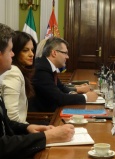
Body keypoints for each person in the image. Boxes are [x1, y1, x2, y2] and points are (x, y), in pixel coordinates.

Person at [0, 23, 75, 158]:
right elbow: (2, 145)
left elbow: (6, 122)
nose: (13, 54)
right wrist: (46, 137)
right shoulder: (15, 72)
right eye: (11, 50)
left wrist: (28, 127)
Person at [29, 37, 98, 112]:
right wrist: (85, 97)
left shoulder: (46, 65)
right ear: (54, 53)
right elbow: (59, 98)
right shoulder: (41, 69)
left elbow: (61, 88)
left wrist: (74, 93)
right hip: (45, 117)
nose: (67, 57)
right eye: (65, 53)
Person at [0, 31, 36, 123]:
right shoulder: (13, 72)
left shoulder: (18, 70)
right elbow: (12, 117)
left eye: (32, 50)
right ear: (15, 51)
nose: (31, 54)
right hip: (15, 133)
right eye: (25, 50)